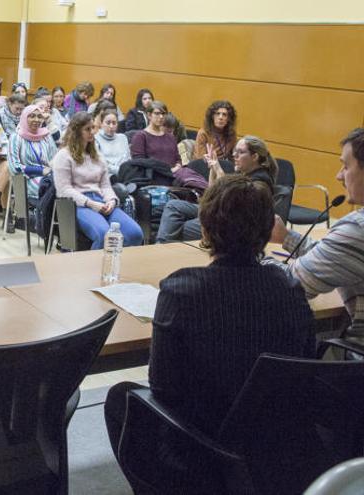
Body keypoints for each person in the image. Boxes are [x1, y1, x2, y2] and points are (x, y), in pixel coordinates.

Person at [104, 175, 315, 490]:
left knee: (121, 397)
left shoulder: (181, 290)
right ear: (268, 231)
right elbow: (305, 364)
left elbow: (162, 389)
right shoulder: (289, 288)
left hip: (199, 450)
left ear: (204, 227)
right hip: (275, 449)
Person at [269, 128, 364, 332]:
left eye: (346, 166)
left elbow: (293, 284)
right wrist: (286, 237)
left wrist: (248, 259)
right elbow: (335, 253)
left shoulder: (357, 229)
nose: (339, 176)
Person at [156, 135, 278, 243]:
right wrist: (213, 169)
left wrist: (218, 169)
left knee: (178, 227)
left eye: (240, 152)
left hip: (233, 224)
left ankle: (162, 250)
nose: (234, 155)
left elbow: (229, 197)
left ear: (254, 156)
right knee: (173, 206)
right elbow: (211, 194)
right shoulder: (246, 174)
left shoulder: (260, 182)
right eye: (235, 151)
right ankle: (161, 247)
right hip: (221, 213)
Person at [53, 112, 143, 248]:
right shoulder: (63, 155)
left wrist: (112, 200)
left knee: (135, 233)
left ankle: (118, 265)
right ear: (77, 131)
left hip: (102, 201)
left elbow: (106, 185)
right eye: (87, 129)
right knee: (104, 235)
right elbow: (64, 190)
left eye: (93, 128)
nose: (92, 132)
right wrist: (91, 204)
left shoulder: (97, 155)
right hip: (78, 204)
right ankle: (94, 268)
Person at [8, 105, 57, 200]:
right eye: (32, 116)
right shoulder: (16, 137)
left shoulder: (46, 136)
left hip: (48, 177)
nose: (36, 120)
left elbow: (55, 160)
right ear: (24, 118)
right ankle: (45, 214)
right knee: (52, 189)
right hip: (25, 180)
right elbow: (14, 167)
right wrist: (41, 170)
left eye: (39, 117)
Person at [130, 101, 181, 169]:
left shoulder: (171, 137)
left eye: (163, 113)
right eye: (157, 113)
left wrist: (177, 167)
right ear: (149, 115)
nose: (161, 116)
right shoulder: (140, 136)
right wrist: (167, 171)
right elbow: (139, 163)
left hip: (176, 173)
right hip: (155, 175)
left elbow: (178, 159)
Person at [94, 109, 131, 177]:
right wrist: (120, 171)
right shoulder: (95, 139)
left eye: (114, 123)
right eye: (108, 123)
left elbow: (127, 159)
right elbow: (100, 163)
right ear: (101, 124)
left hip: (125, 174)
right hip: (106, 176)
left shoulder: (123, 138)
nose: (111, 126)